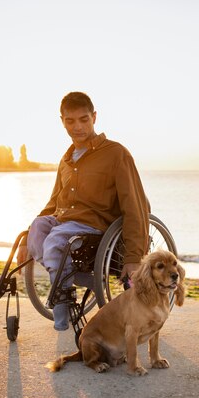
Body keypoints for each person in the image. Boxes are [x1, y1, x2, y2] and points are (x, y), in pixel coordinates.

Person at [17, 92, 149, 331]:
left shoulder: (116, 153)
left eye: (84, 119)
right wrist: (27, 236)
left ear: (94, 117)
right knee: (37, 229)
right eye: (70, 121)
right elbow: (54, 202)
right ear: (62, 121)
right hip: (65, 222)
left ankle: (63, 303)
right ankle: (74, 279)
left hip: (95, 226)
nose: (77, 126)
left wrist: (133, 257)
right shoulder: (66, 160)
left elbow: (136, 205)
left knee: (55, 240)